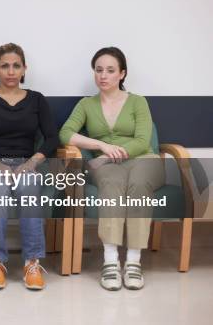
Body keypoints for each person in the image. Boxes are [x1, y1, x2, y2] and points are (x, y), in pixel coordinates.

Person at [59, 46, 164, 291]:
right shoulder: (86, 104)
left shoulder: (138, 102)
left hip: (144, 160)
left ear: (122, 74)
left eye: (110, 70)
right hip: (108, 165)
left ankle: (134, 262)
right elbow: (65, 133)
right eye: (98, 70)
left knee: (138, 184)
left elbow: (142, 141)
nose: (103, 76)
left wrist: (105, 157)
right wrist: (100, 146)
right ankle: (110, 261)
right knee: (111, 184)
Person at [0, 43, 59, 291]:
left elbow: (52, 138)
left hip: (25, 165)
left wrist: (31, 164)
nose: (10, 71)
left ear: (24, 69)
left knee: (29, 187)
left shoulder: (36, 100)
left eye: (16, 66)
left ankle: (32, 263)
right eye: (4, 66)